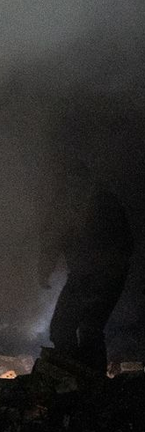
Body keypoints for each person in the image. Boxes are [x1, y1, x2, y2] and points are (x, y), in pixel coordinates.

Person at [39, 157, 134, 375]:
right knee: (89, 329)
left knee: (65, 328)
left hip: (93, 274)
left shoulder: (76, 200)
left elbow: (54, 237)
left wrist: (44, 269)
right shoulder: (103, 198)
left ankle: (76, 380)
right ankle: (89, 383)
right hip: (107, 275)